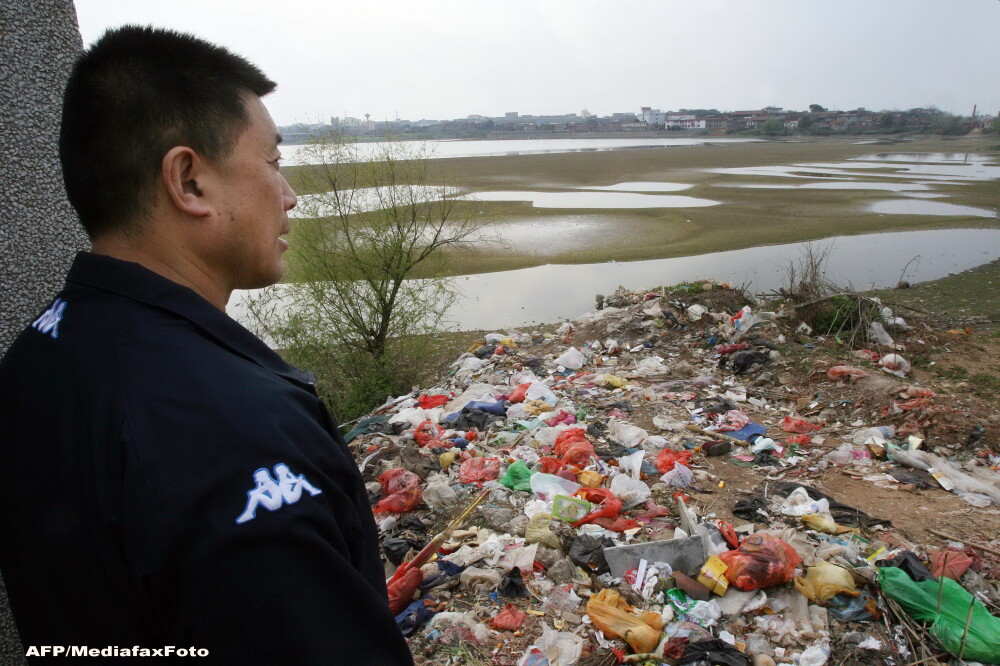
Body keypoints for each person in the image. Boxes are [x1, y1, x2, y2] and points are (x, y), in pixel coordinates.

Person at [0, 25, 413, 663]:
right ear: (189, 182)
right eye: (272, 163)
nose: (290, 194)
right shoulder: (242, 429)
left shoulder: (33, 358)